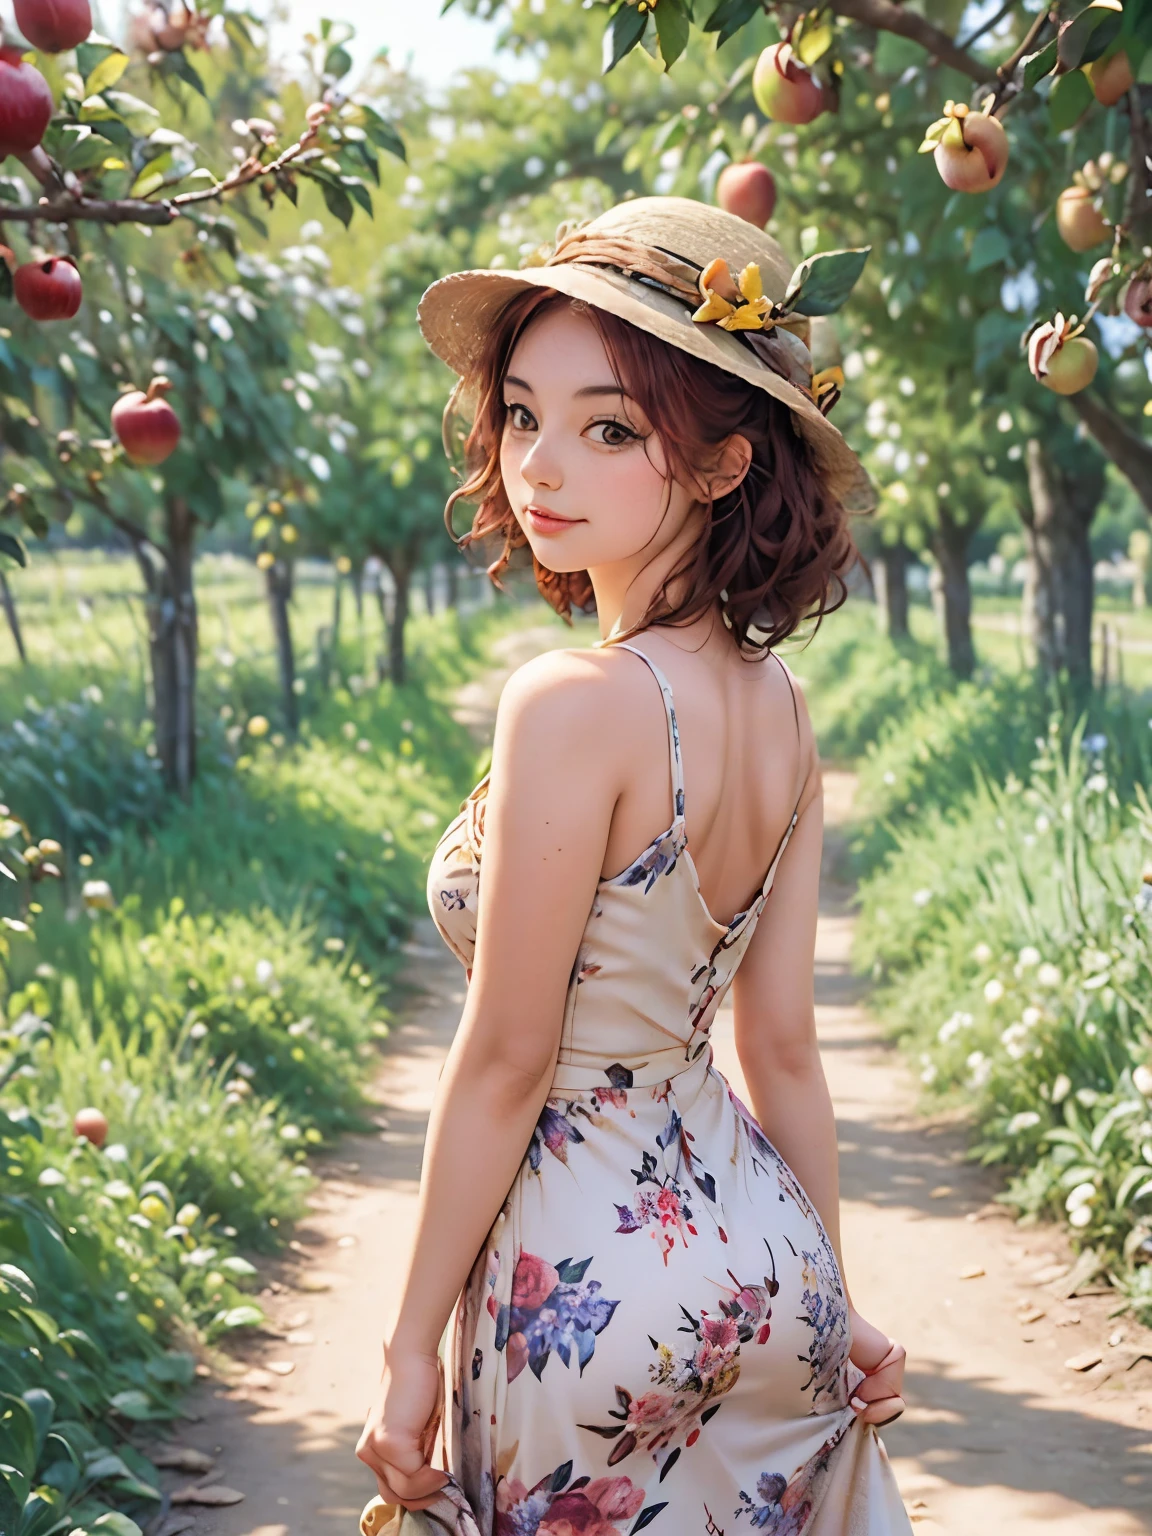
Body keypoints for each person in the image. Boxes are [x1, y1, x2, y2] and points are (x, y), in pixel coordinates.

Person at [356, 196, 912, 1536]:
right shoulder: (783, 712)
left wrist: (404, 1347)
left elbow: (505, 1060)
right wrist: (837, 1297)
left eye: (609, 427)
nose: (543, 464)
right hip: (763, 1271)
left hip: (582, 1286)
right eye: (523, 413)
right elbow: (783, 1047)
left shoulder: (572, 705)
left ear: (724, 463)